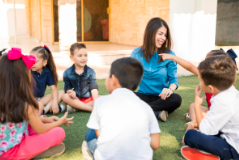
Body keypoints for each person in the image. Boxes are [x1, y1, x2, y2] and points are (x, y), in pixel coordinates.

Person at [0, 48, 74, 159]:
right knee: (59, 132)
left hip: (8, 141)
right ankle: (34, 152)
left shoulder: (6, 98)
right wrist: (60, 122)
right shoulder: (25, 103)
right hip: (12, 153)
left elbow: (18, 122)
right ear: (22, 77)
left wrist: (45, 119)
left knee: (36, 126)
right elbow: (41, 129)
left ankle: (33, 149)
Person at [82, 57, 161, 160]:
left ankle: (89, 150)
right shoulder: (146, 108)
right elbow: (155, 144)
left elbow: (100, 135)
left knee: (90, 133)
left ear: (113, 79)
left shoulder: (100, 102)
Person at [160, 49, 237, 128]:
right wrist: (173, 57)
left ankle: (195, 123)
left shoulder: (222, 83)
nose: (203, 63)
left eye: (206, 61)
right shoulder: (207, 76)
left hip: (220, 115)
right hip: (211, 110)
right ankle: (194, 121)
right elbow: (190, 67)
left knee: (203, 114)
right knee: (193, 106)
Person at [181, 54, 239, 160]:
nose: (199, 83)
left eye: (200, 80)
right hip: (230, 136)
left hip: (234, 150)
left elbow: (204, 131)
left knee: (190, 135)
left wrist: (197, 105)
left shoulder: (221, 101)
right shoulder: (230, 90)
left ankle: (216, 156)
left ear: (211, 88)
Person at [131, 17, 182, 122]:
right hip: (143, 95)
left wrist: (170, 89)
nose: (163, 38)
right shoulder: (136, 54)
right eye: (160, 34)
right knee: (125, 96)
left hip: (162, 98)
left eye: (165, 35)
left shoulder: (170, 55)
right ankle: (156, 112)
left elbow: (174, 81)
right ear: (151, 32)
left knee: (177, 99)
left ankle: (142, 111)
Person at [62, 43, 99, 113]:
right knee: (65, 96)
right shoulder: (67, 72)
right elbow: (67, 88)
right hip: (76, 99)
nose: (83, 58)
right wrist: (70, 92)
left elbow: (94, 87)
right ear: (71, 57)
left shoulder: (91, 71)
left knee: (102, 99)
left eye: (85, 55)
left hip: (89, 99)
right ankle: (91, 109)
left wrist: (96, 101)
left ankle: (76, 108)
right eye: (80, 56)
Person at [30, 45, 65, 115]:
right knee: (61, 107)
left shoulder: (47, 72)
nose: (32, 64)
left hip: (41, 100)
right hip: (29, 100)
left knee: (61, 92)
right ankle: (41, 109)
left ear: (44, 62)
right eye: (30, 60)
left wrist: (55, 102)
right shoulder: (27, 71)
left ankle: (44, 110)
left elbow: (54, 89)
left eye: (36, 62)